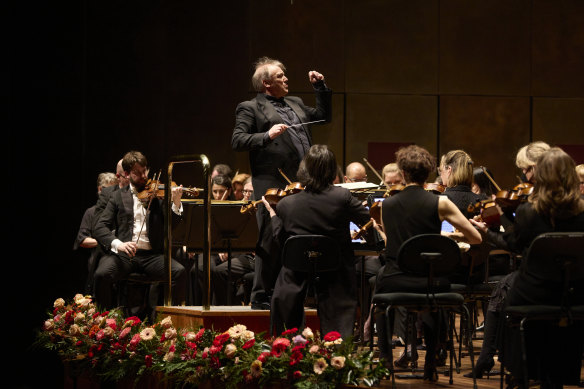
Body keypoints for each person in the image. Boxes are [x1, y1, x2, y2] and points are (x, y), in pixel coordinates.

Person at [469, 148, 584, 387]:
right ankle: (558, 375)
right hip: (574, 294)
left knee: (506, 303)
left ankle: (520, 370)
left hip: (533, 293)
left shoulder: (529, 212)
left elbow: (514, 246)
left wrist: (488, 231)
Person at [373, 145, 481, 381]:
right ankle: (430, 364)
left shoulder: (385, 205)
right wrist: (449, 237)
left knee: (379, 286)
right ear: (430, 171)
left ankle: (385, 360)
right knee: (433, 296)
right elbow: (476, 238)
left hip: (397, 278)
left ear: (402, 173)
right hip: (430, 278)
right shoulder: (440, 202)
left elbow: (395, 246)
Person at [232, 56, 332, 309]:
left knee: (298, 237)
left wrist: (320, 88)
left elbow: (323, 117)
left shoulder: (295, 102)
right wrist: (266, 135)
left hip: (302, 182)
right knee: (269, 237)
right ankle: (260, 296)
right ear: (266, 83)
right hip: (272, 182)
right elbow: (238, 140)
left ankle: (293, 292)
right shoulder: (250, 107)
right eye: (280, 76)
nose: (286, 79)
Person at [261, 145, 369, 338]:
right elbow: (367, 219)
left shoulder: (286, 204)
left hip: (296, 274)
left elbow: (281, 241)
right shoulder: (343, 197)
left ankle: (288, 342)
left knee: (288, 267)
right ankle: (337, 345)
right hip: (335, 274)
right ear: (331, 170)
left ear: (304, 170)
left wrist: (273, 215)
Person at [92, 151, 187, 310]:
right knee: (101, 274)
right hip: (125, 256)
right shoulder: (117, 196)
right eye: (138, 173)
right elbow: (100, 227)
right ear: (127, 174)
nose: (144, 176)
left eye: (145, 170)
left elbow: (173, 225)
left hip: (152, 256)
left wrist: (176, 203)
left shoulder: (158, 194)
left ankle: (175, 322)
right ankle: (103, 321)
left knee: (179, 272)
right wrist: (118, 244)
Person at [211, 176, 256, 305]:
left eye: (250, 192)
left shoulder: (262, 209)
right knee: (218, 271)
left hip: (260, 257)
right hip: (247, 256)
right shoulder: (240, 209)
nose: (246, 195)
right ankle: (224, 310)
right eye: (245, 191)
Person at [73, 172, 118, 294]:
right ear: (100, 189)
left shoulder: (119, 211)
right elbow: (82, 240)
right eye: (109, 190)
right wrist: (106, 240)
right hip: (97, 261)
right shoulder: (91, 212)